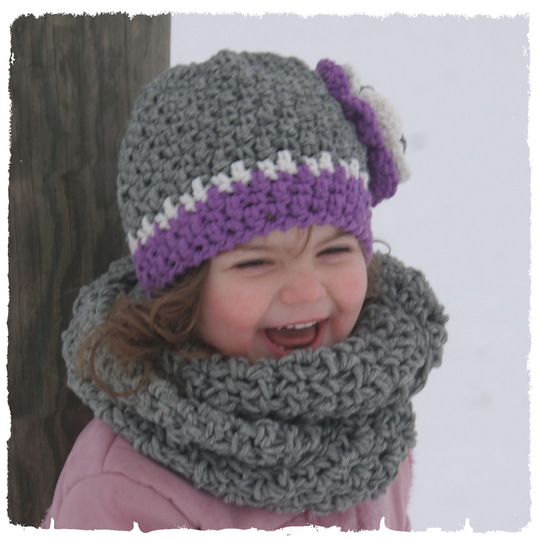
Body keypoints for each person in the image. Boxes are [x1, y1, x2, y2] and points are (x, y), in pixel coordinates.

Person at [42, 50, 448, 532]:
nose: (305, 291)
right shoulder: (125, 487)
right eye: (256, 262)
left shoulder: (374, 410)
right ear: (181, 289)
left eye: (334, 251)